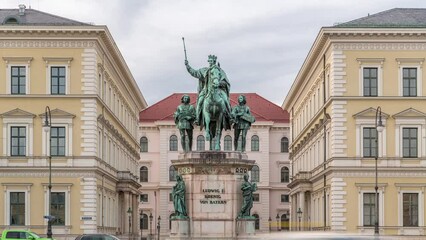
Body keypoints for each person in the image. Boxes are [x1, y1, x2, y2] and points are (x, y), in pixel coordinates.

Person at [184, 55, 231, 127]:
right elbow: (194, 73)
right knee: (199, 101)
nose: (210, 62)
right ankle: (197, 118)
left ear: (214, 61)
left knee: (226, 100)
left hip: (219, 90)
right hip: (206, 90)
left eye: (211, 61)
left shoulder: (220, 71)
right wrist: (188, 66)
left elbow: (225, 82)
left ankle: (230, 116)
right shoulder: (204, 70)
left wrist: (219, 83)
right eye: (209, 61)